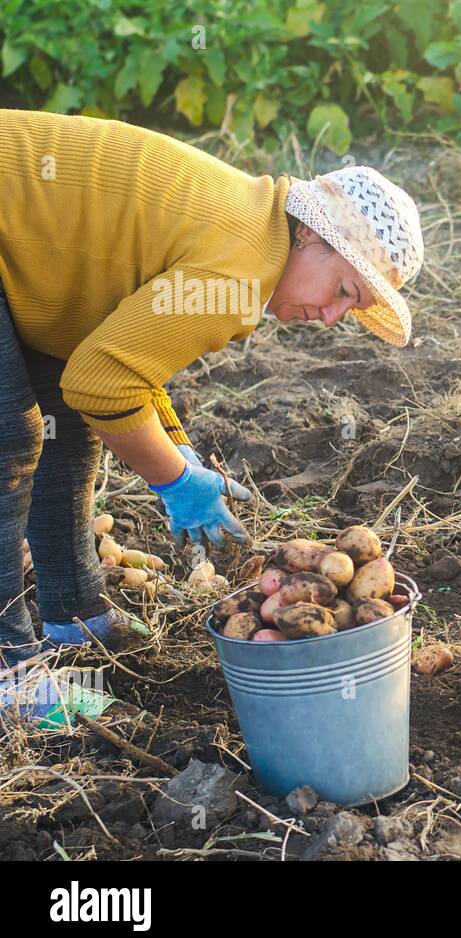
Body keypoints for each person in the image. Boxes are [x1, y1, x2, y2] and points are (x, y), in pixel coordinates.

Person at [0, 109, 425, 670]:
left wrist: (172, 441)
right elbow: (102, 385)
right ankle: (10, 665)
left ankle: (76, 619)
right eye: (344, 290)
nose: (330, 317)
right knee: (9, 436)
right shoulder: (239, 276)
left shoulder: (251, 228)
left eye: (351, 308)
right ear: (311, 234)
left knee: (65, 425)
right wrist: (173, 480)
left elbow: (116, 359)